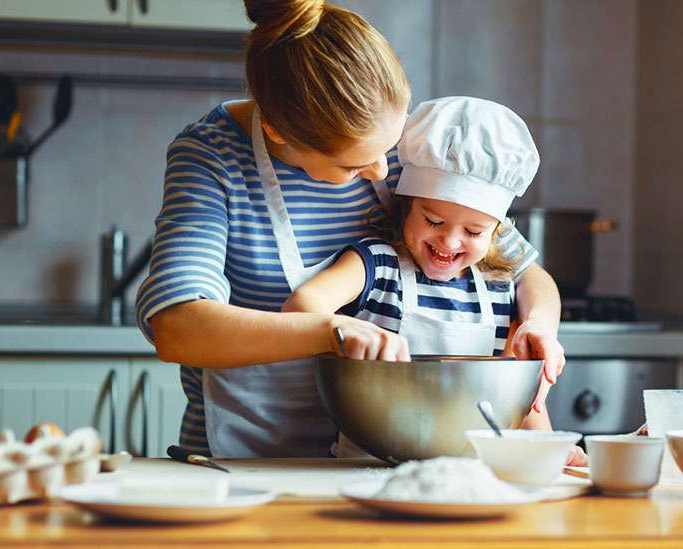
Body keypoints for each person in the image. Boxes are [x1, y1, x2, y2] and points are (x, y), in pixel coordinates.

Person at [135, 0, 564, 458]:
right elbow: (177, 326)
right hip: (249, 459)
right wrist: (329, 331)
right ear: (279, 132)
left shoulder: (404, 146)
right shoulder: (212, 157)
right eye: (354, 164)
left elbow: (521, 270)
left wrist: (538, 324)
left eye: (390, 147)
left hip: (379, 462)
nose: (383, 171)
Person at [282, 97, 584, 463]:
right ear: (406, 207)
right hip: (367, 467)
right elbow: (302, 305)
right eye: (434, 221)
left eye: (474, 231)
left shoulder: (497, 284)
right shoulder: (378, 264)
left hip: (473, 476)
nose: (450, 242)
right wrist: (343, 330)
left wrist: (538, 327)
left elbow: (537, 286)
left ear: (497, 233)